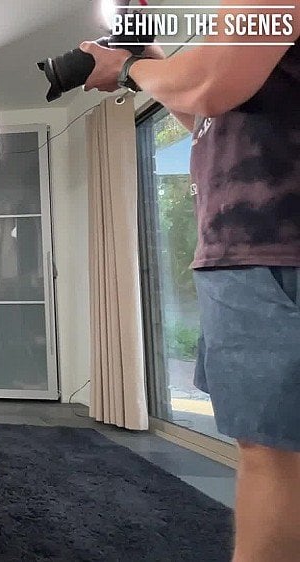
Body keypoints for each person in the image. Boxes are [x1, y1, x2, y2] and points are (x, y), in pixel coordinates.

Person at [81, 4, 299, 559]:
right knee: (273, 452)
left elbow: (209, 82)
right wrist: (149, 57)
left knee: (273, 455)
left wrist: (127, 69)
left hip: (271, 251)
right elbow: (208, 113)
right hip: (251, 254)